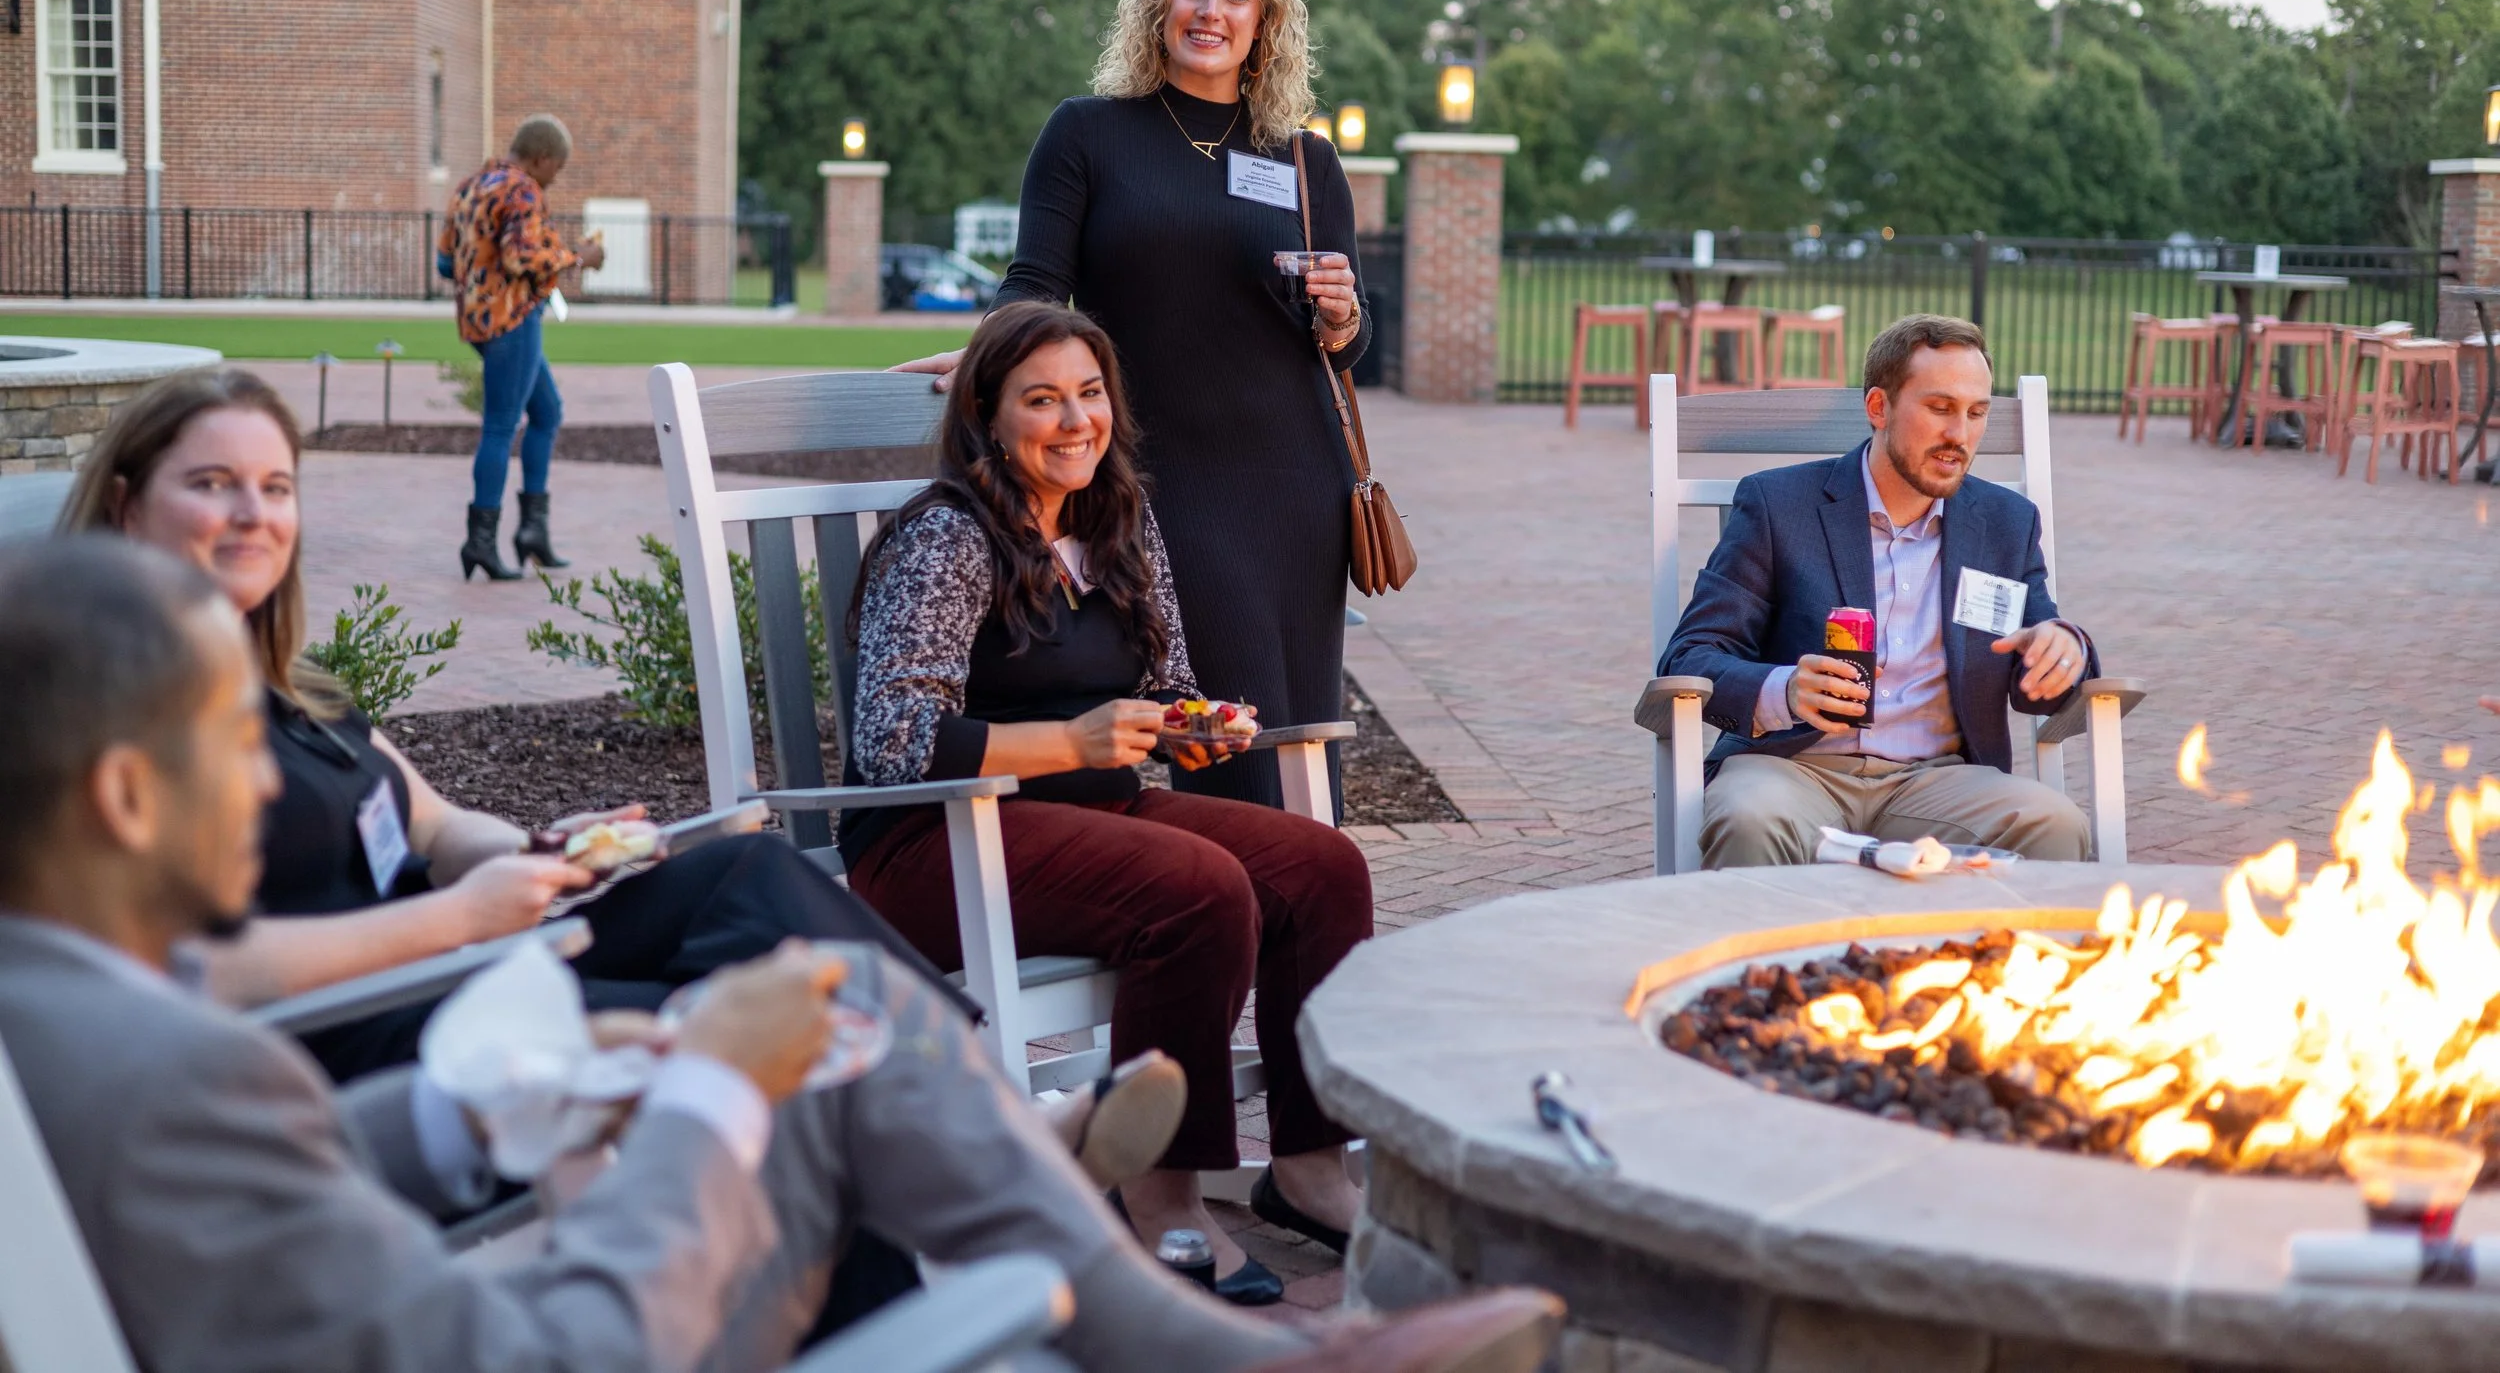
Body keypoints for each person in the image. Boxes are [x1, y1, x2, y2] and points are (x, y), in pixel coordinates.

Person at [0, 534, 1565, 1373]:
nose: (269, 775)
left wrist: (470, 1112)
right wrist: (703, 1106)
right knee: (792, 1067)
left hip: (417, 1241)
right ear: (128, 792)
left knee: (813, 1047)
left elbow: (243, 1185)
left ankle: (1200, 1345)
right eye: (231, 739)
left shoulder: (70, 1021)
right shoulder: (173, 1068)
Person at [57, 363, 1179, 1192]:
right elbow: (182, 972)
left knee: (741, 870)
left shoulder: (298, 691)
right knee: (770, 1057)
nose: (255, 514)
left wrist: (550, 851)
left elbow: (438, 822)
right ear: (124, 504)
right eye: (214, 484)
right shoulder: (112, 714)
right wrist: (455, 919)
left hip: (473, 950)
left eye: (275, 485)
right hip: (374, 1028)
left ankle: (989, 1126)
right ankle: (991, 1158)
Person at [851, 302, 1374, 1305]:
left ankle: (1306, 1164)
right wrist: (1074, 740)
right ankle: (1163, 1192)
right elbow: (893, 742)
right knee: (1197, 887)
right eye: (1040, 399)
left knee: (1320, 865)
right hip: (933, 841)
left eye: (1088, 394)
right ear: (987, 419)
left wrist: (1189, 723)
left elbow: (1166, 679)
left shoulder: (1116, 517)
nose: (1074, 420)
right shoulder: (946, 537)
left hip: (1092, 813)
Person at [895, 0, 1366, 816]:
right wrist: (995, 353)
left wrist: (1346, 320)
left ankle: (1311, 919)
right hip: (1165, 480)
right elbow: (1035, 281)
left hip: (1299, 486)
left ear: (1264, 20)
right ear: (1159, 1)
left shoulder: (1305, 162)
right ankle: (1241, 911)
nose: (1211, 10)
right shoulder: (1089, 135)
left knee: (1304, 731)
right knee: (1226, 730)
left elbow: (1343, 345)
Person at [1663, 313, 2100, 869]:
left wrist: (2065, 650)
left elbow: (2040, 670)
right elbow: (1692, 656)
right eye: (1940, 408)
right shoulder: (1780, 507)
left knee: (2054, 823)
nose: (1959, 435)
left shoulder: (2004, 524)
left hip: (1939, 781)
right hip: (1791, 770)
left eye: (1976, 413)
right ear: (1879, 407)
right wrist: (1786, 689)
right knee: (1749, 818)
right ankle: (1770, 959)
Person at [438, 112, 604, 582]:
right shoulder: (523, 189)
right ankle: (481, 541)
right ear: (542, 158)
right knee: (500, 426)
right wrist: (580, 257)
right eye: (558, 169)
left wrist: (480, 277)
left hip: (477, 321)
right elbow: (520, 256)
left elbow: (445, 261)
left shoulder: (470, 186)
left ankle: (533, 532)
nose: (555, 180)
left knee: (547, 412)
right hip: (512, 319)